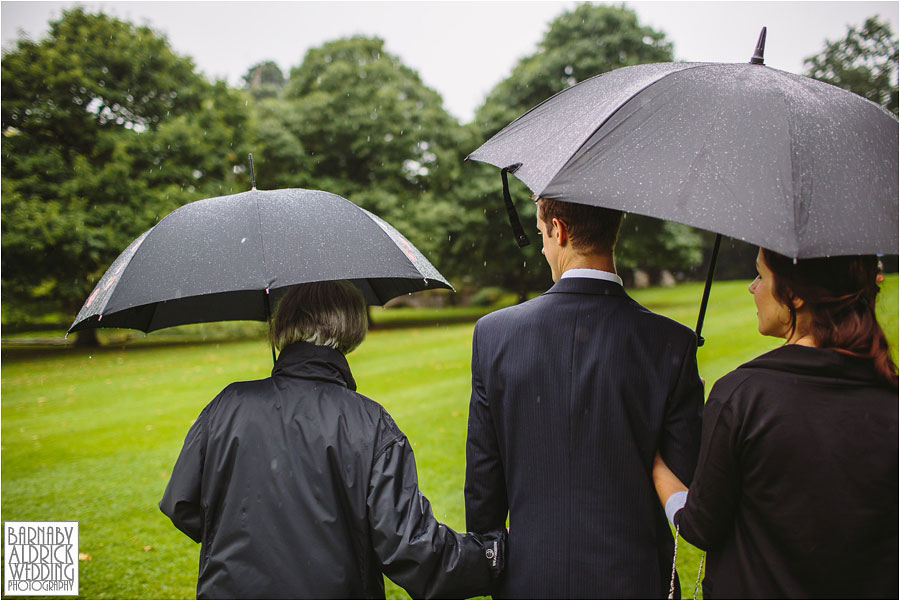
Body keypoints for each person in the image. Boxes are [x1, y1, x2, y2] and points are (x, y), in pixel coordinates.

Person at [160, 280, 505, 599]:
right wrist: (488, 559)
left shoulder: (227, 405)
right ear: (351, 329)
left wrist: (250, 542)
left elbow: (181, 502)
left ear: (286, 327)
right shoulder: (370, 423)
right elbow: (409, 547)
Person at [465, 197, 705, 598]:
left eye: (542, 235)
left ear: (558, 230)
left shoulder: (495, 334)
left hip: (530, 579)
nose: (543, 248)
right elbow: (685, 475)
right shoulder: (671, 343)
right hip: (634, 580)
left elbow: (484, 483)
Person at [653, 248, 899, 599]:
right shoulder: (891, 398)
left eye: (761, 275)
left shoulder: (743, 396)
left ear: (795, 294)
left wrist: (657, 461)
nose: (753, 288)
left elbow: (700, 526)